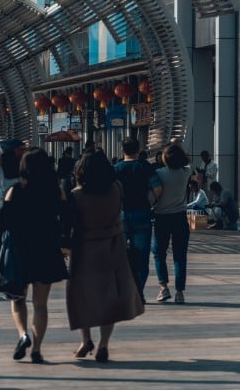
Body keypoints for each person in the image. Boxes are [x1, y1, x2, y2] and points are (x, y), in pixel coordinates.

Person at [66, 150, 145, 362]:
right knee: (109, 298)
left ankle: (85, 341)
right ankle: (103, 345)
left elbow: (72, 223)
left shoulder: (76, 195)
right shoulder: (116, 188)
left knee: (82, 296)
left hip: (84, 249)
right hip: (113, 247)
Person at [0, 148, 69, 363]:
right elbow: (66, 219)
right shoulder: (55, 191)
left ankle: (23, 335)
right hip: (47, 249)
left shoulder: (15, 190)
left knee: (18, 298)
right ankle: (37, 349)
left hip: (21, 250)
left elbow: (3, 222)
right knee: (41, 304)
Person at [113, 138, 161, 297]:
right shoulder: (145, 167)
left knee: (121, 255)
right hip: (142, 213)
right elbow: (158, 188)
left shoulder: (116, 169)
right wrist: (151, 201)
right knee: (142, 255)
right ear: (138, 151)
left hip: (121, 215)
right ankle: (138, 290)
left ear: (122, 151)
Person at [151, 143, 192, 304]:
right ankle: (179, 292)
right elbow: (188, 160)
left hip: (162, 217)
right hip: (180, 217)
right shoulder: (185, 172)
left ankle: (163, 287)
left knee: (159, 253)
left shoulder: (158, 173)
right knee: (180, 256)